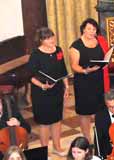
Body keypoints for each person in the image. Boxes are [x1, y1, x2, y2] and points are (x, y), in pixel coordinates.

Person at [27, 27, 68, 156]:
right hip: (41, 93)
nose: (52, 40)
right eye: (48, 38)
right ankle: (43, 152)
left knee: (57, 120)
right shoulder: (35, 55)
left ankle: (57, 147)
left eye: (52, 37)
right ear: (41, 40)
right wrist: (42, 86)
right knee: (44, 123)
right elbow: (31, 76)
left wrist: (66, 87)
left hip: (56, 90)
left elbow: (63, 70)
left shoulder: (58, 50)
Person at [70, 18, 111, 142]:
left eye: (94, 29)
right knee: (85, 112)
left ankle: (100, 136)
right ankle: (87, 139)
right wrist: (85, 70)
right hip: (83, 81)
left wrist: (106, 60)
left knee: (99, 109)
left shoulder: (100, 41)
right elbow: (74, 65)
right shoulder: (76, 45)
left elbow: (105, 56)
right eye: (89, 29)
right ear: (83, 29)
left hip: (98, 80)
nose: (92, 31)